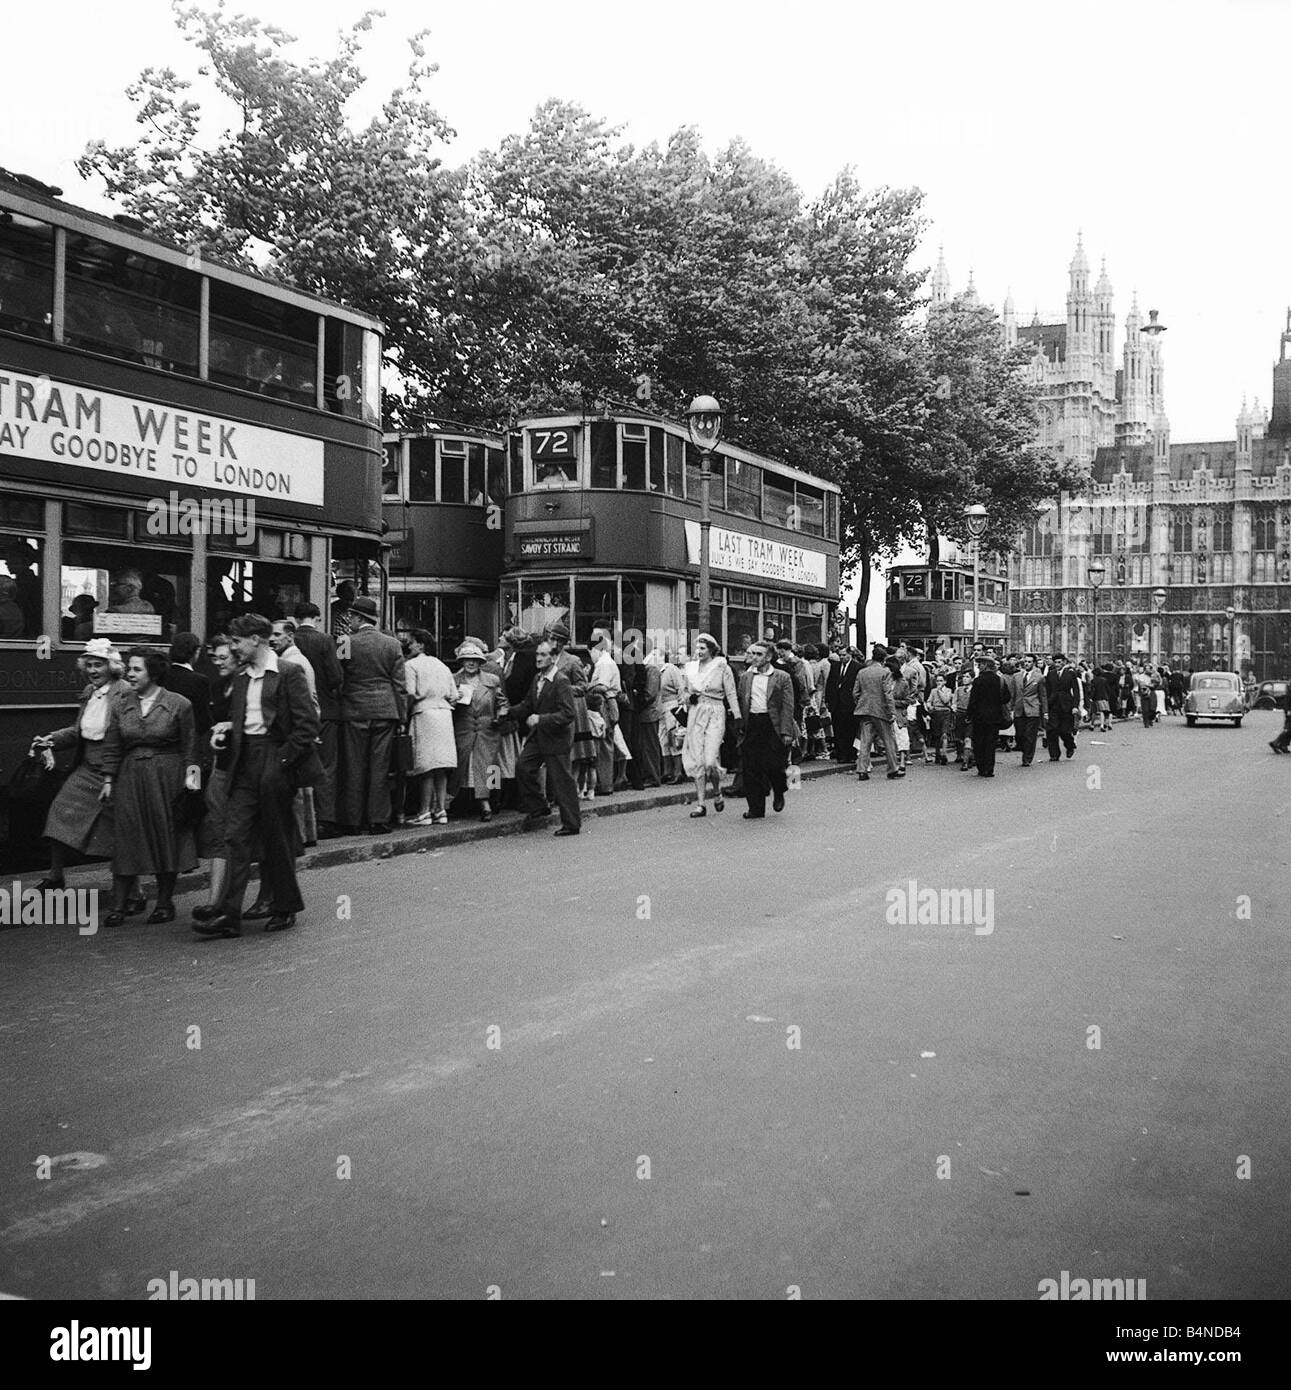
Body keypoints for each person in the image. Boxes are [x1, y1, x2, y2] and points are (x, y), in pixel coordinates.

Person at [193, 614, 321, 939]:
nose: (233, 647)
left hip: (274, 759)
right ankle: (228, 914)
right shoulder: (241, 678)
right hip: (243, 760)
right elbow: (243, 720)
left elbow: (307, 725)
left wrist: (281, 761)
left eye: (237, 641)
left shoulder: (288, 673)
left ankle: (285, 906)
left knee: (277, 837)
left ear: (257, 640)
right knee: (235, 835)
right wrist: (227, 733)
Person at [99, 649, 199, 926]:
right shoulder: (120, 703)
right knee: (127, 838)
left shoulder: (179, 704)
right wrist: (108, 779)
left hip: (168, 776)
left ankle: (165, 903)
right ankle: (118, 905)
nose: (130, 674)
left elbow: (191, 749)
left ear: (153, 673)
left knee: (165, 836)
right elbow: (112, 745)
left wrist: (192, 788)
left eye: (136, 669)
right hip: (130, 777)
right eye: (129, 669)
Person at [29, 639, 131, 891]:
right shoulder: (89, 693)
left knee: (120, 831)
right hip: (87, 769)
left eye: (99, 665)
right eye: (89, 665)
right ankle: (56, 877)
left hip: (115, 770)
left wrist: (111, 772)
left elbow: (127, 735)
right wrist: (51, 739)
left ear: (112, 667)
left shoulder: (125, 692)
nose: (93, 670)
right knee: (59, 812)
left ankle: (134, 889)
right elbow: (78, 731)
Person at [337, 596, 405, 834]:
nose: (349, 621)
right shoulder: (392, 644)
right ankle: (378, 820)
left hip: (354, 710)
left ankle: (353, 821)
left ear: (358, 617)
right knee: (380, 768)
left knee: (354, 767)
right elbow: (400, 685)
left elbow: (339, 677)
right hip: (385, 710)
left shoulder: (345, 642)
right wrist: (402, 716)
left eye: (350, 617)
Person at [511, 638, 581, 835]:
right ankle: (539, 806)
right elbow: (527, 704)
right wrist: (507, 712)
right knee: (523, 767)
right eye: (537, 655)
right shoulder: (537, 679)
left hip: (556, 738)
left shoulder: (561, 681)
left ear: (553, 657)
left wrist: (540, 719)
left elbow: (568, 714)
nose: (538, 659)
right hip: (539, 737)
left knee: (562, 781)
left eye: (543, 655)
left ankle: (571, 823)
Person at [292, 602, 344, 837]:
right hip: (325, 712)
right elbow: (335, 677)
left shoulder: (289, 639)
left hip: (296, 713)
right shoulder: (325, 641)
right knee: (326, 766)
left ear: (295, 618)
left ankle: (302, 823)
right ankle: (325, 819)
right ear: (318, 618)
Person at [681, 633, 741, 817]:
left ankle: (716, 790)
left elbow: (731, 693)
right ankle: (700, 804)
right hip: (696, 712)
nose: (698, 652)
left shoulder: (722, 666)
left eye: (702, 648)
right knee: (698, 760)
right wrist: (687, 698)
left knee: (710, 760)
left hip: (715, 712)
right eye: (697, 648)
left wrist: (737, 716)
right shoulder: (690, 668)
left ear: (711, 649)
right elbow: (682, 693)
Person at [403, 628, 458, 824]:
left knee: (426, 765)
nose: (407, 646)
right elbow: (454, 695)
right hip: (444, 715)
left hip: (423, 713)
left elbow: (409, 693)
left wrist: (405, 715)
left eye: (410, 642)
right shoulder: (443, 666)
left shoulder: (411, 665)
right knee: (441, 766)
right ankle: (441, 810)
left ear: (420, 644)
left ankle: (424, 811)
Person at [736, 640, 795, 818]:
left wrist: (786, 732)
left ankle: (779, 790)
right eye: (753, 653)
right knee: (751, 767)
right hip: (753, 724)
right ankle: (756, 807)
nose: (754, 657)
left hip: (773, 724)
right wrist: (739, 726)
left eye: (759, 654)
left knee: (774, 765)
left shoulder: (782, 677)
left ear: (769, 657)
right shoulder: (746, 677)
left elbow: (787, 706)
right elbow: (740, 701)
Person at [450, 638, 508, 821]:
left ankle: (491, 801)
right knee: (463, 767)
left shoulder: (491, 680)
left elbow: (502, 702)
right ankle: (463, 802)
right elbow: (446, 705)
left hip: (487, 729)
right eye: (467, 659)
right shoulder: (453, 680)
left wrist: (500, 715)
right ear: (461, 661)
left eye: (475, 659)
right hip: (464, 730)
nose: (471, 662)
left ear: (481, 662)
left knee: (491, 765)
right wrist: (453, 699)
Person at [853, 644, 902, 781]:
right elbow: (888, 694)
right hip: (881, 711)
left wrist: (861, 702)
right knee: (888, 740)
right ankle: (892, 769)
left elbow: (855, 692)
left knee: (865, 741)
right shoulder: (885, 673)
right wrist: (892, 711)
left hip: (865, 709)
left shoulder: (862, 672)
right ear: (884, 659)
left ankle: (862, 770)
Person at [966, 656, 1011, 778]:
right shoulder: (999, 680)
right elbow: (1007, 697)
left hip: (979, 717)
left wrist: (969, 715)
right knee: (990, 743)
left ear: (986, 665)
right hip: (995, 717)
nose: (978, 666)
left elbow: (973, 701)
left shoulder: (978, 681)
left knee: (979, 742)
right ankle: (989, 769)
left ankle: (981, 768)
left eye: (980, 664)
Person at [164, 633, 213, 739]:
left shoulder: (162, 675)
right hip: (188, 737)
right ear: (196, 652)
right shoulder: (200, 680)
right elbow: (203, 719)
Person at [1043, 653, 1083, 760]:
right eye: (1055, 662)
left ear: (1064, 662)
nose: (1057, 664)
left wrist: (1075, 706)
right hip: (1053, 705)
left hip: (1066, 705)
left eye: (1059, 662)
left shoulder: (1071, 674)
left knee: (1065, 731)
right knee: (1052, 730)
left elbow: (1076, 691)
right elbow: (1047, 690)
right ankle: (1054, 754)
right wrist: (1046, 705)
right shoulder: (1050, 674)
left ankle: (1070, 746)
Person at [659, 647, 688, 784]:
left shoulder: (671, 669)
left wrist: (681, 708)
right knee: (663, 738)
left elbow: (680, 688)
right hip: (661, 707)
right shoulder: (657, 671)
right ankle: (667, 771)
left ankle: (678, 772)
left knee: (674, 738)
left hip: (672, 706)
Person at [1013, 654, 1047, 767]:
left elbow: (1043, 696)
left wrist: (1045, 712)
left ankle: (1027, 758)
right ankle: (1023, 748)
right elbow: (1013, 694)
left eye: (1029, 662)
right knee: (1019, 734)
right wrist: (1010, 708)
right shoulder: (1016, 676)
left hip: (1033, 709)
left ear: (1034, 663)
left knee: (1030, 735)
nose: (1027, 664)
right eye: (1025, 662)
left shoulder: (1039, 677)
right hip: (1019, 708)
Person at [925, 672, 955, 765]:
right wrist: (929, 706)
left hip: (945, 712)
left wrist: (939, 691)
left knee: (944, 734)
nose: (939, 683)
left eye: (941, 681)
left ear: (945, 681)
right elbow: (929, 701)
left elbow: (946, 700)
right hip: (936, 712)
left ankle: (944, 754)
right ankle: (937, 754)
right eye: (937, 681)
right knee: (937, 735)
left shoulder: (948, 690)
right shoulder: (933, 691)